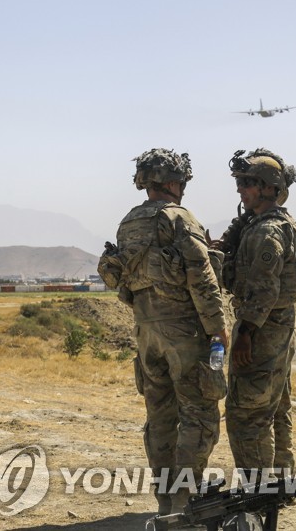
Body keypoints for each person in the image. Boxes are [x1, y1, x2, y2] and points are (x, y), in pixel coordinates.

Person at [97, 149, 228, 517]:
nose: (183, 188)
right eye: (181, 181)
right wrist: (218, 329)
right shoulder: (179, 217)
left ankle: (166, 501)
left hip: (146, 334)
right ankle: (185, 504)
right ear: (170, 181)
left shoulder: (127, 224)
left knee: (160, 418)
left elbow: (124, 284)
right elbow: (202, 279)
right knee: (199, 413)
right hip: (184, 334)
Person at [222, 149, 296, 480]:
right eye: (240, 183)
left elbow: (264, 291)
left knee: (247, 413)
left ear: (269, 188)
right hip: (279, 331)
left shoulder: (265, 231)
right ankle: (280, 483)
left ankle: (258, 495)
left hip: (261, 333)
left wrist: (244, 333)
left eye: (248, 184)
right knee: (276, 408)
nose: (241, 190)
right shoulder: (281, 224)